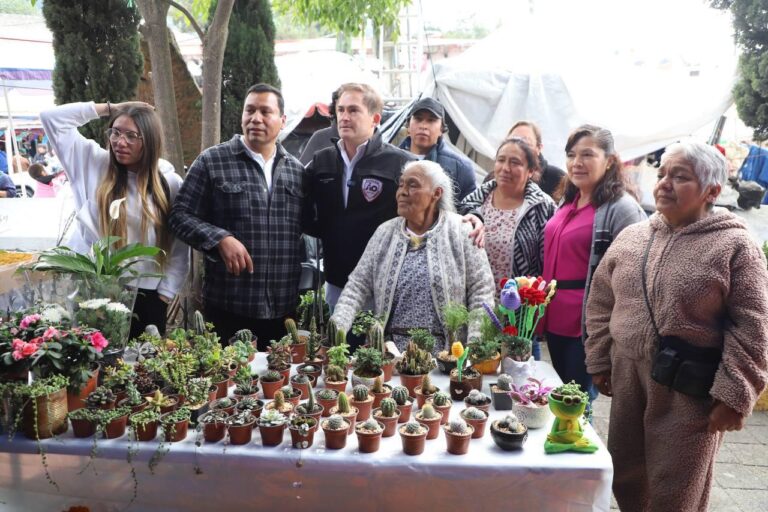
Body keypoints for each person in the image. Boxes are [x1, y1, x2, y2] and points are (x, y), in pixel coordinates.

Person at [585, 141, 768, 512]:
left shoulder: (735, 246)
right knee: (626, 473)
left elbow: (753, 324)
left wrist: (735, 395)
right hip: (628, 377)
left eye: (680, 176)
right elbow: (602, 299)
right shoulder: (634, 236)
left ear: (712, 191)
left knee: (678, 488)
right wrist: (600, 358)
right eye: (663, 174)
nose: (664, 183)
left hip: (689, 390)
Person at [170, 83, 306, 350]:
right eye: (250, 110)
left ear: (282, 121)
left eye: (265, 112)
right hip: (229, 306)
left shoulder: (297, 172)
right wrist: (220, 239)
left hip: (283, 307)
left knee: (279, 386)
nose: (256, 118)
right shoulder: (212, 161)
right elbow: (179, 216)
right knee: (230, 385)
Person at [41, 101, 189, 339]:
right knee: (94, 364)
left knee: (143, 368)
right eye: (116, 132)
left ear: (149, 141)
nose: (120, 142)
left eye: (132, 136)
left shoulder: (168, 184)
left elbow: (179, 245)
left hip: (148, 296)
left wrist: (166, 292)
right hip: (93, 290)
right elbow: (51, 117)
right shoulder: (92, 164)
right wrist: (111, 108)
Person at [331, 160, 495, 353]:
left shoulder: (462, 231)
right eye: (401, 184)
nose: (402, 192)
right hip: (390, 352)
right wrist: (335, 332)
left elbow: (481, 291)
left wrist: (475, 349)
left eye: (413, 185)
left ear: (436, 193)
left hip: (447, 354)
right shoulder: (384, 233)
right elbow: (356, 287)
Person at [541, 124, 646, 402]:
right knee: (558, 394)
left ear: (610, 160)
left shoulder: (621, 208)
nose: (577, 163)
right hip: (554, 316)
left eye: (587, 155)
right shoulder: (568, 200)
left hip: (586, 323)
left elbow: (635, 275)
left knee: (575, 402)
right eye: (571, 155)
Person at [304, 82, 415, 311]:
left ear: (375, 119)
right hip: (337, 283)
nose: (344, 117)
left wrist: (473, 217)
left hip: (384, 284)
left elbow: (432, 213)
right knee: (339, 346)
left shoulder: (402, 163)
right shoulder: (321, 161)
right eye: (341, 110)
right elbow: (299, 204)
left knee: (381, 347)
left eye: (353, 110)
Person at [459, 137, 556, 360]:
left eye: (515, 162)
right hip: (475, 308)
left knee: (515, 377)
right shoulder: (471, 203)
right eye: (501, 160)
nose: (506, 168)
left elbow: (546, 265)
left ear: (531, 170)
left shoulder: (543, 207)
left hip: (518, 314)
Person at [399, 97, 477, 207]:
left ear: (442, 129)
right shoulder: (390, 160)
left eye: (431, 120)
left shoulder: (460, 167)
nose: (423, 126)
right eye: (418, 119)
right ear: (408, 125)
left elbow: (470, 207)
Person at [505, 120, 565, 200]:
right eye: (513, 140)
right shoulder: (495, 177)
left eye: (525, 142)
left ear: (539, 148)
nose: (517, 147)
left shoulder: (557, 178)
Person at [299, 90, 339, 166]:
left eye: (353, 110)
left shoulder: (367, 142)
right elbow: (303, 172)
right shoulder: (321, 137)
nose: (346, 116)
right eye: (341, 110)